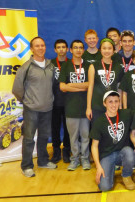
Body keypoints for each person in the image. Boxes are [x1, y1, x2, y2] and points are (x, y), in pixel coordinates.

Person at [12, 36, 57, 177]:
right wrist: (27, 101)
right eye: (37, 46)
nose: (41, 48)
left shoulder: (51, 65)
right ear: (31, 49)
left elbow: (53, 86)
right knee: (29, 139)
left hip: (47, 108)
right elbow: (17, 89)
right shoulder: (26, 67)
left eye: (42, 45)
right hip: (31, 109)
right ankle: (26, 166)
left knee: (44, 136)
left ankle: (43, 161)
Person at [90, 91, 135, 191]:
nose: (114, 105)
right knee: (104, 187)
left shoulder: (126, 114)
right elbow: (94, 146)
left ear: (119, 103)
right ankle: (109, 170)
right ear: (104, 103)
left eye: (116, 101)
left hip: (122, 153)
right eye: (110, 102)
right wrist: (98, 167)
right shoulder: (99, 121)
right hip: (107, 155)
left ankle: (126, 176)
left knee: (129, 152)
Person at [58, 40, 90, 171]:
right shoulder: (66, 66)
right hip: (71, 108)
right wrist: (80, 87)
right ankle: (75, 159)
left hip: (85, 108)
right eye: (75, 48)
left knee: (85, 136)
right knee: (73, 137)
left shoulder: (88, 66)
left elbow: (90, 85)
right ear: (70, 50)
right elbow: (62, 87)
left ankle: (85, 159)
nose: (78, 50)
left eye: (80, 48)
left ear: (83, 50)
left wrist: (71, 85)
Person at [86, 38, 124, 126]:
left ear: (114, 51)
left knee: (111, 131)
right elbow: (90, 87)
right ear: (100, 50)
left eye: (109, 48)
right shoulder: (93, 66)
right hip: (97, 106)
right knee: (97, 133)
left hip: (113, 106)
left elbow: (119, 88)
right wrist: (88, 107)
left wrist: (120, 105)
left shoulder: (118, 67)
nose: (107, 51)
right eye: (104, 48)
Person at [50, 39, 71, 163]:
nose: (61, 49)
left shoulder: (72, 63)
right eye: (59, 47)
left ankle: (67, 150)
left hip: (69, 101)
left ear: (68, 49)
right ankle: (56, 151)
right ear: (55, 49)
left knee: (68, 128)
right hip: (54, 101)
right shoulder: (50, 63)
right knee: (55, 127)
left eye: (64, 47)